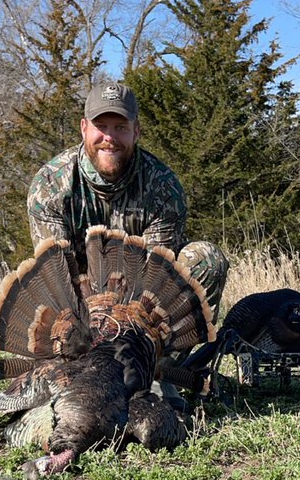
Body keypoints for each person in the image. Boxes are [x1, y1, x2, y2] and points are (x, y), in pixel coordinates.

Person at [27, 80, 229, 320]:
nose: (109, 137)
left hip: (140, 317)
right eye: (100, 126)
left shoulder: (162, 186)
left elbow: (155, 282)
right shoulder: (50, 184)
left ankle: (162, 359)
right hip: (77, 312)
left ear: (136, 131)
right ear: (83, 128)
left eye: (120, 127)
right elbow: (57, 279)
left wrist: (126, 336)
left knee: (206, 258)